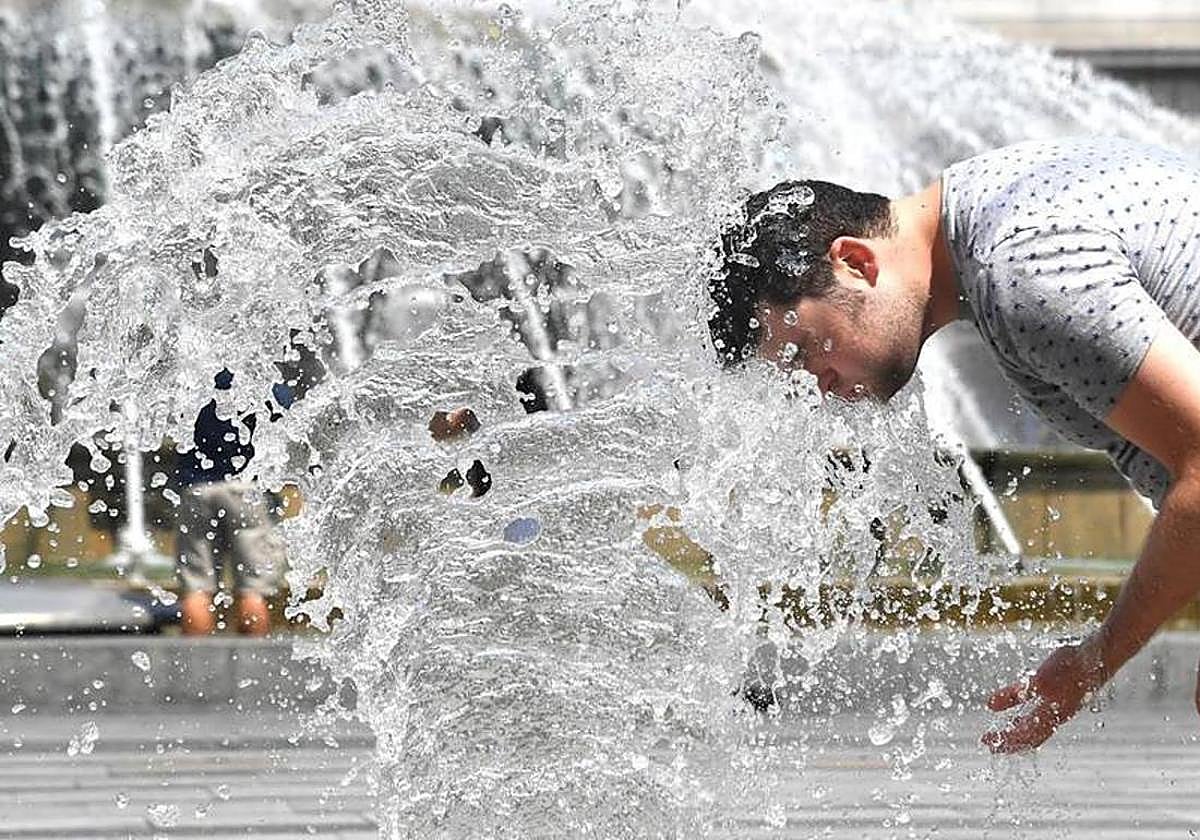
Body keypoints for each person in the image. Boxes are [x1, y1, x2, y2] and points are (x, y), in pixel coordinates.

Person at [708, 136, 1200, 754]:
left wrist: (1099, 656)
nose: (821, 388)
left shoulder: (1019, 270)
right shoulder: (995, 198)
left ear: (855, 262)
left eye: (807, 353)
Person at [175, 370, 289, 636]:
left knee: (196, 587)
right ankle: (254, 669)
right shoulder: (258, 373)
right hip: (247, 489)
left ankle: (193, 670)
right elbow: (289, 409)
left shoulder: (195, 374)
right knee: (253, 589)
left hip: (197, 488)